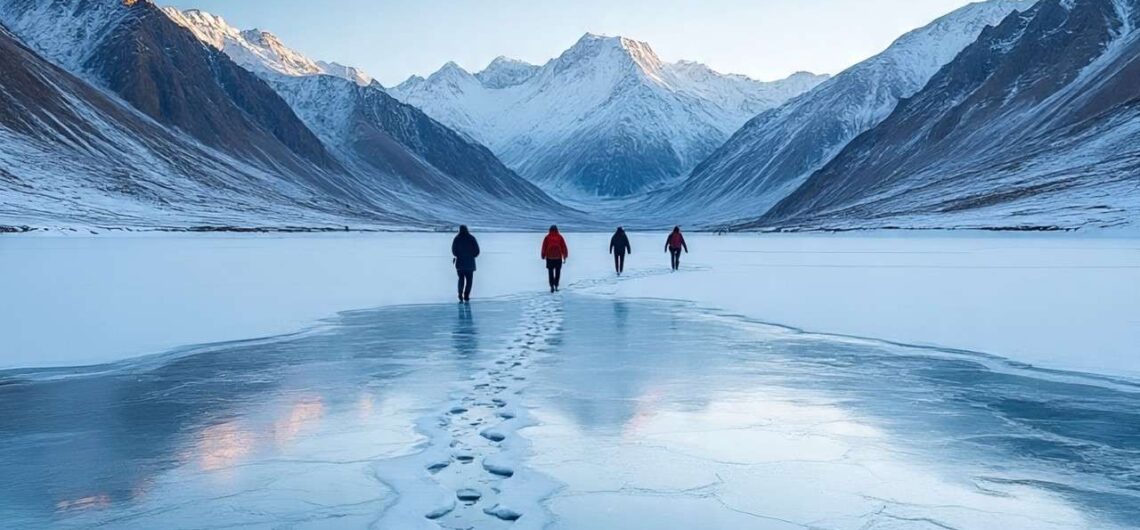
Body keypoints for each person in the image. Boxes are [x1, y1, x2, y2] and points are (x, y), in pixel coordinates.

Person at [452, 225, 480, 302]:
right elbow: (477, 251)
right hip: (470, 264)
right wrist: (472, 256)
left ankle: (460, 294)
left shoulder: (457, 238)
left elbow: (454, 251)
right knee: (469, 281)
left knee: (461, 279)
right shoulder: (471, 238)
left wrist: (459, 255)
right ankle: (466, 295)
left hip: (460, 264)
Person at [541, 225, 569, 292]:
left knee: (550, 272)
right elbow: (563, 247)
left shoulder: (547, 237)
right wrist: (565, 256)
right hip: (558, 257)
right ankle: (556, 285)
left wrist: (543, 255)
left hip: (549, 257)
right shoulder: (560, 237)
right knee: (558, 272)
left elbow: (544, 247)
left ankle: (551, 286)